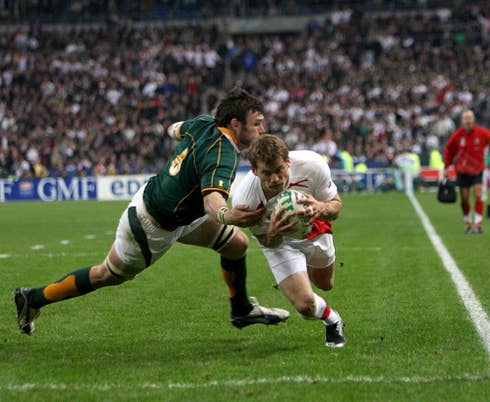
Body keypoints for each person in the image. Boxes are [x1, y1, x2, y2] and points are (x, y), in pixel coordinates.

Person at [13, 87, 290, 335]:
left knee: (235, 245)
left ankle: (240, 310)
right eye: (257, 124)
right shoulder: (224, 155)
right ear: (235, 124)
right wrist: (229, 216)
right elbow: (212, 204)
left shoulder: (204, 123)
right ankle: (33, 297)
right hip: (151, 227)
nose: (262, 130)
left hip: (174, 211)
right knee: (106, 275)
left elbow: (174, 128)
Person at [232, 134, 345, 348]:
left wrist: (321, 207)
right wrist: (274, 233)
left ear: (288, 162)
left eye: (279, 170)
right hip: (279, 240)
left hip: (314, 224)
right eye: (267, 173)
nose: (275, 179)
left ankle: (304, 275)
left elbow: (336, 207)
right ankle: (333, 320)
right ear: (254, 171)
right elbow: (267, 242)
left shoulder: (312, 165)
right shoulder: (245, 200)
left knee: (325, 284)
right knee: (305, 306)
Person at [443, 110, 490, 234]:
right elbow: (449, 150)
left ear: (474, 120)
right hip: (462, 171)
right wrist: (446, 166)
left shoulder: (483, 133)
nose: (468, 121)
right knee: (465, 198)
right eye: (466, 118)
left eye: (470, 118)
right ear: (462, 121)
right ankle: (468, 223)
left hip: (478, 170)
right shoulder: (457, 135)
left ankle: (477, 224)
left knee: (478, 194)